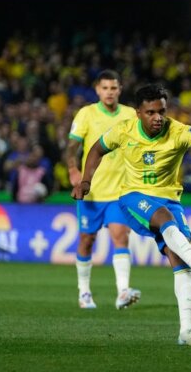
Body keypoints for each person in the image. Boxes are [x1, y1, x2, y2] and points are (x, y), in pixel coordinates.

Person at [72, 83, 191, 347]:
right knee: (165, 220)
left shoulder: (176, 130)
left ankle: (186, 331)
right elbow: (96, 149)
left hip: (169, 199)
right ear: (138, 113)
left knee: (178, 257)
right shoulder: (123, 131)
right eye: (151, 112)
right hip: (133, 196)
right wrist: (86, 181)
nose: (158, 117)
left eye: (162, 111)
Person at [65, 70, 141, 310]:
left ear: (120, 90)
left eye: (114, 88)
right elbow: (71, 147)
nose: (109, 92)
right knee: (87, 240)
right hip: (92, 191)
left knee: (121, 236)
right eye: (105, 88)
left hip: (119, 191)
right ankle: (84, 292)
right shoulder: (87, 114)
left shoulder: (130, 114)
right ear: (97, 90)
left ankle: (123, 292)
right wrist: (72, 170)